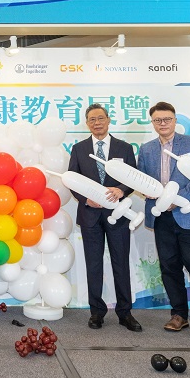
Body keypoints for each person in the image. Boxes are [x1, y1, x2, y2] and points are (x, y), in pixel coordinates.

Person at [138, 102, 190, 336]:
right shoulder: (146, 149)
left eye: (167, 119)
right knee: (169, 268)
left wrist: (177, 199)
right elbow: (141, 179)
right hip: (162, 218)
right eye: (158, 120)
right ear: (153, 123)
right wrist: (148, 192)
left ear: (175, 120)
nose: (163, 123)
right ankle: (178, 314)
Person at [67, 103, 141, 331]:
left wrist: (121, 190)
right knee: (93, 264)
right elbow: (72, 180)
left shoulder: (124, 148)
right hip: (90, 215)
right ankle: (96, 312)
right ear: (87, 123)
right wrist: (85, 199)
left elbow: (133, 178)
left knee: (121, 263)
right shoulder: (78, 149)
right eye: (92, 119)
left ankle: (125, 313)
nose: (97, 123)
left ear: (108, 120)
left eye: (100, 118)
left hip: (118, 214)